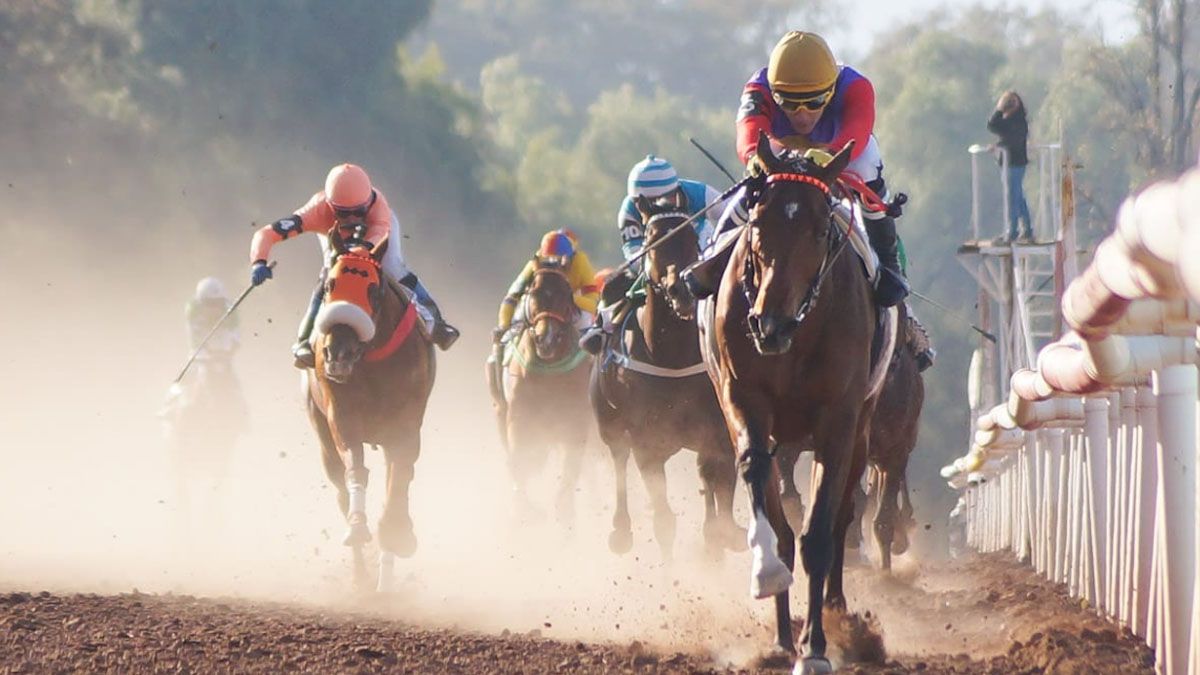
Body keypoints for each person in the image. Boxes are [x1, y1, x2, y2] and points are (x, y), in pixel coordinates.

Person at [681, 30, 909, 308]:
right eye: (788, 103)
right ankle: (715, 257)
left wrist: (831, 153)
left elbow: (858, 129)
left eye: (814, 103)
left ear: (832, 89)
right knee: (753, 182)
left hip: (838, 147)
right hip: (782, 147)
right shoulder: (757, 87)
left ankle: (888, 263)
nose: (801, 116)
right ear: (774, 92)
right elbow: (748, 130)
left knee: (867, 170)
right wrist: (753, 156)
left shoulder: (857, 86)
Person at [247, 163, 459, 368]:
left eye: (358, 212)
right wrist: (259, 261)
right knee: (330, 276)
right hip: (334, 234)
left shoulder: (378, 209)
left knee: (393, 267)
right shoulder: (317, 211)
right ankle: (303, 341)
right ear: (330, 206)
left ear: (368, 202)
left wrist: (355, 253)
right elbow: (265, 234)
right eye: (343, 213)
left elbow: (374, 242)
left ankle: (436, 324)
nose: (351, 218)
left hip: (374, 235)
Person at [579, 155, 730, 354]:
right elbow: (633, 258)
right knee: (613, 284)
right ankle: (604, 325)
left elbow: (732, 219)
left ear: (676, 190)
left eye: (663, 199)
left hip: (702, 245)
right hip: (656, 259)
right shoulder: (629, 210)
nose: (656, 205)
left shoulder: (700, 193)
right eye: (646, 202)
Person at [492, 230, 599, 353]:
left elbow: (594, 303)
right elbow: (512, 297)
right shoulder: (534, 264)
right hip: (538, 305)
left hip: (565, 306)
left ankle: (592, 359)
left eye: (559, 262)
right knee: (505, 337)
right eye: (547, 262)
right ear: (541, 257)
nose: (553, 266)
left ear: (570, 258)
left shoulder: (580, 262)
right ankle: (497, 357)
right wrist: (504, 325)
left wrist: (569, 298)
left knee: (586, 323)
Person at [987, 91, 1032, 242]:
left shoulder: (1019, 122)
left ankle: (1012, 231)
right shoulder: (1007, 121)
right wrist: (1000, 109)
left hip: (1016, 164)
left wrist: (999, 145)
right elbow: (992, 125)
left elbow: (1013, 140)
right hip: (1008, 163)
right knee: (1017, 196)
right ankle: (1026, 228)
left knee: (1013, 197)